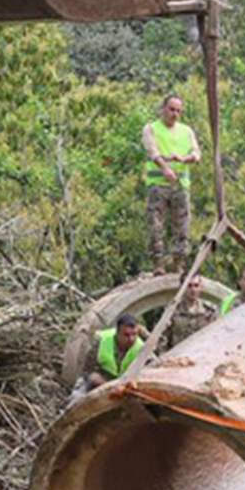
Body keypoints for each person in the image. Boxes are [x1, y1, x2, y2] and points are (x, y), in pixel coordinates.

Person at [142, 95, 201, 273]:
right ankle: (158, 263)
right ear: (163, 109)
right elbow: (152, 151)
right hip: (158, 184)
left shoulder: (186, 131)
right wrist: (165, 168)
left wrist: (185, 158)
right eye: (171, 109)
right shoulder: (151, 128)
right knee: (156, 225)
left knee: (182, 226)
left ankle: (179, 263)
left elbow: (197, 153)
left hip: (180, 185)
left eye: (178, 110)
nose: (174, 114)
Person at [88, 314, 145, 388]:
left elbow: (149, 369)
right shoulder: (100, 341)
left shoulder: (141, 347)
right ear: (117, 333)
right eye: (126, 335)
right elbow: (88, 372)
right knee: (79, 394)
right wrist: (109, 386)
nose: (131, 339)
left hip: (127, 382)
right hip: (103, 379)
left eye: (134, 334)